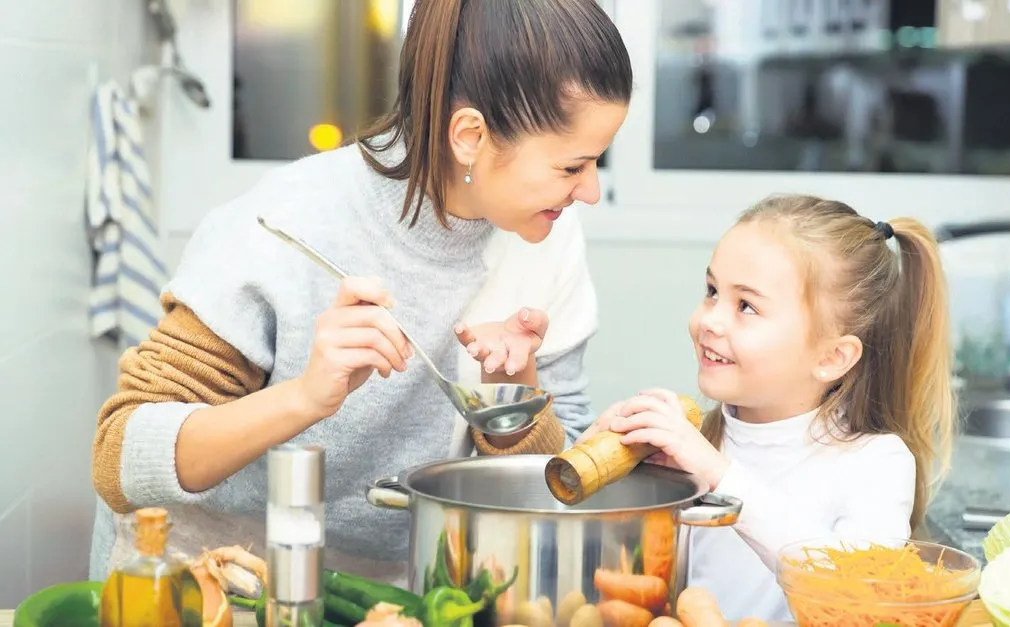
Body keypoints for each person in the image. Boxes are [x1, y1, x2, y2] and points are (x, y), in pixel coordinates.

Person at [89, 0, 632, 583]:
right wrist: (305, 397)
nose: (591, 191)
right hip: (199, 583)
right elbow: (120, 456)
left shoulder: (549, 237)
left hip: (385, 592)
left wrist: (512, 399)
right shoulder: (291, 220)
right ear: (470, 135)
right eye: (572, 167)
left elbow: (568, 475)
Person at [580, 194, 955, 621]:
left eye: (746, 306)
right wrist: (600, 469)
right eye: (712, 291)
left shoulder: (875, 463)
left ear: (831, 358)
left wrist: (720, 475)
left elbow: (854, 598)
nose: (709, 320)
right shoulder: (695, 446)